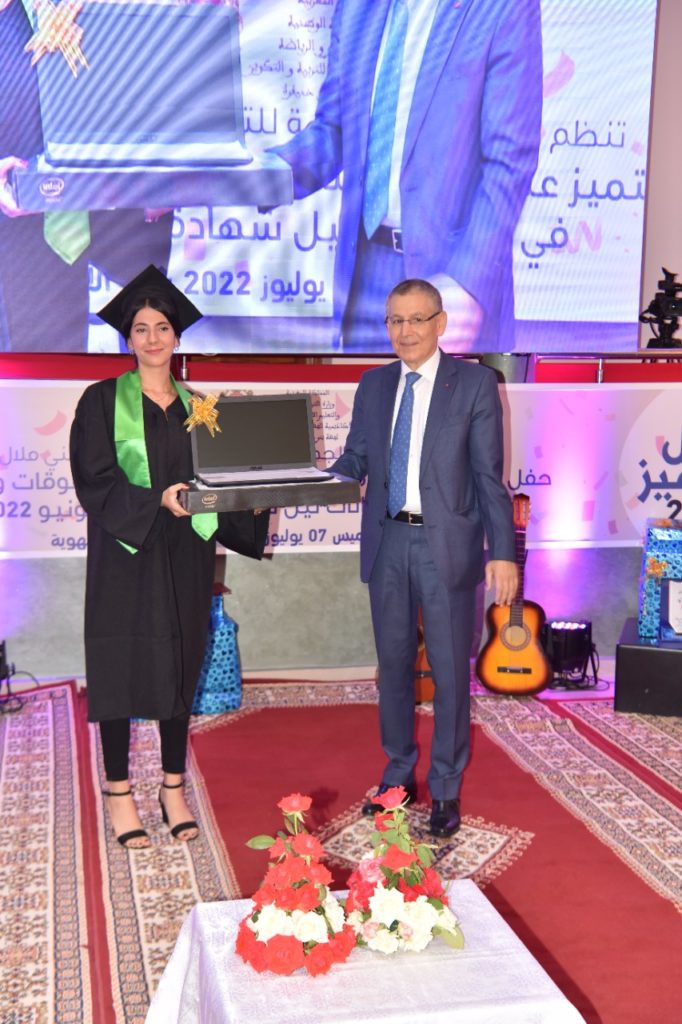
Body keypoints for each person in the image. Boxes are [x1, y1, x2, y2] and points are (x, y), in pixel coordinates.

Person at [70, 265, 269, 849]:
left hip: (185, 552)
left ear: (177, 336)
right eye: (141, 328)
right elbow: (94, 479)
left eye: (162, 327)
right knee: (119, 662)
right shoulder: (101, 400)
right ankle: (118, 791)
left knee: (180, 661)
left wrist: (256, 496)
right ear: (128, 338)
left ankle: (172, 787)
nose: (152, 338)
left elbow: (221, 482)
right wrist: (155, 499)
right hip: (125, 552)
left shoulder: (202, 407)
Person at [331, 278, 518, 838]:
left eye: (416, 319)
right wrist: (307, 479)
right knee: (392, 667)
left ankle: (446, 787)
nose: (405, 330)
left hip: (447, 549)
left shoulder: (475, 384)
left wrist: (503, 552)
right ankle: (397, 777)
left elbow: (489, 478)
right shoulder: (374, 384)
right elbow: (355, 458)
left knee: (449, 670)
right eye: (395, 320)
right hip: (387, 542)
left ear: (440, 324)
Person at [270, 0, 542, 353]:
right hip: (364, 275)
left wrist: (467, 283)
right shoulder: (356, 8)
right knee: (364, 391)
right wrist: (260, 174)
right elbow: (335, 130)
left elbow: (509, 159)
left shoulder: (501, 7)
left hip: (449, 280)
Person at [1, 0, 173, 352]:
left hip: (128, 207)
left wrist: (172, 168)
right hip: (23, 231)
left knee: (152, 367)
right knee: (44, 373)